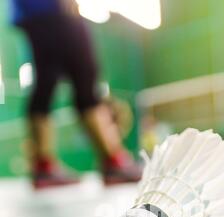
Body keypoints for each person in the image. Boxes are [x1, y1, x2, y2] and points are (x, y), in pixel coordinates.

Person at [10, 0, 142, 188]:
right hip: (52, 10)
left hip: (35, 11)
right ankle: (113, 161)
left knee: (49, 79)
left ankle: (43, 166)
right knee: (82, 75)